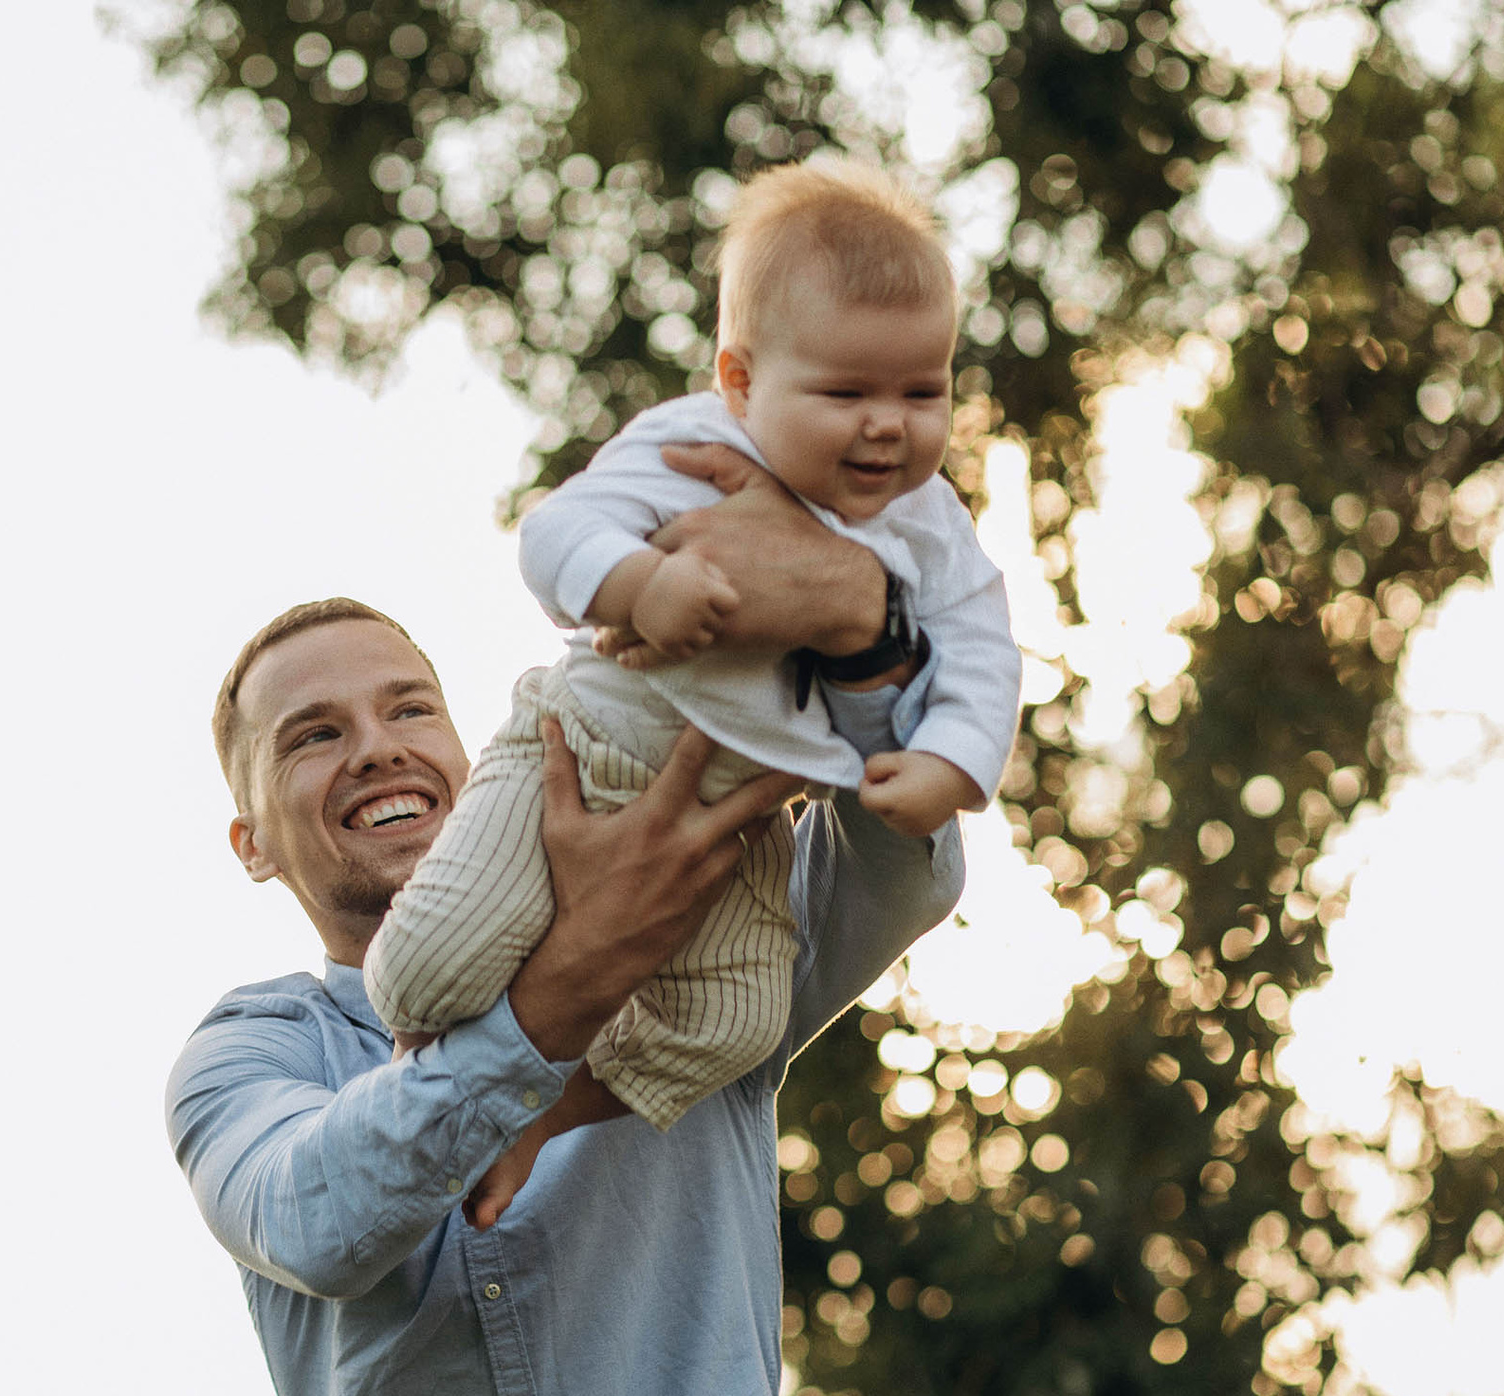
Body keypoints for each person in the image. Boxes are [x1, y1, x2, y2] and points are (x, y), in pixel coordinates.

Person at [167, 473, 968, 1396]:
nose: (375, 746)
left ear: (464, 748)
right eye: (313, 734)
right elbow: (318, 1221)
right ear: (252, 841)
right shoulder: (246, 1059)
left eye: (407, 710)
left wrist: (860, 640)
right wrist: (576, 979)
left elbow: (901, 866)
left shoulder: (709, 934)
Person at [360, 160, 1020, 1221]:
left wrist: (952, 759)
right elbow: (555, 535)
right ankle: (437, 1058)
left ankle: (533, 1113)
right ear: (741, 381)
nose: (888, 427)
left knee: (733, 1024)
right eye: (844, 393)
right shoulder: (685, 447)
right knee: (422, 977)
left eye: (923, 392)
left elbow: (980, 640)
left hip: (737, 824)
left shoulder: (926, 520)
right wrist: (642, 582)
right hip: (572, 749)